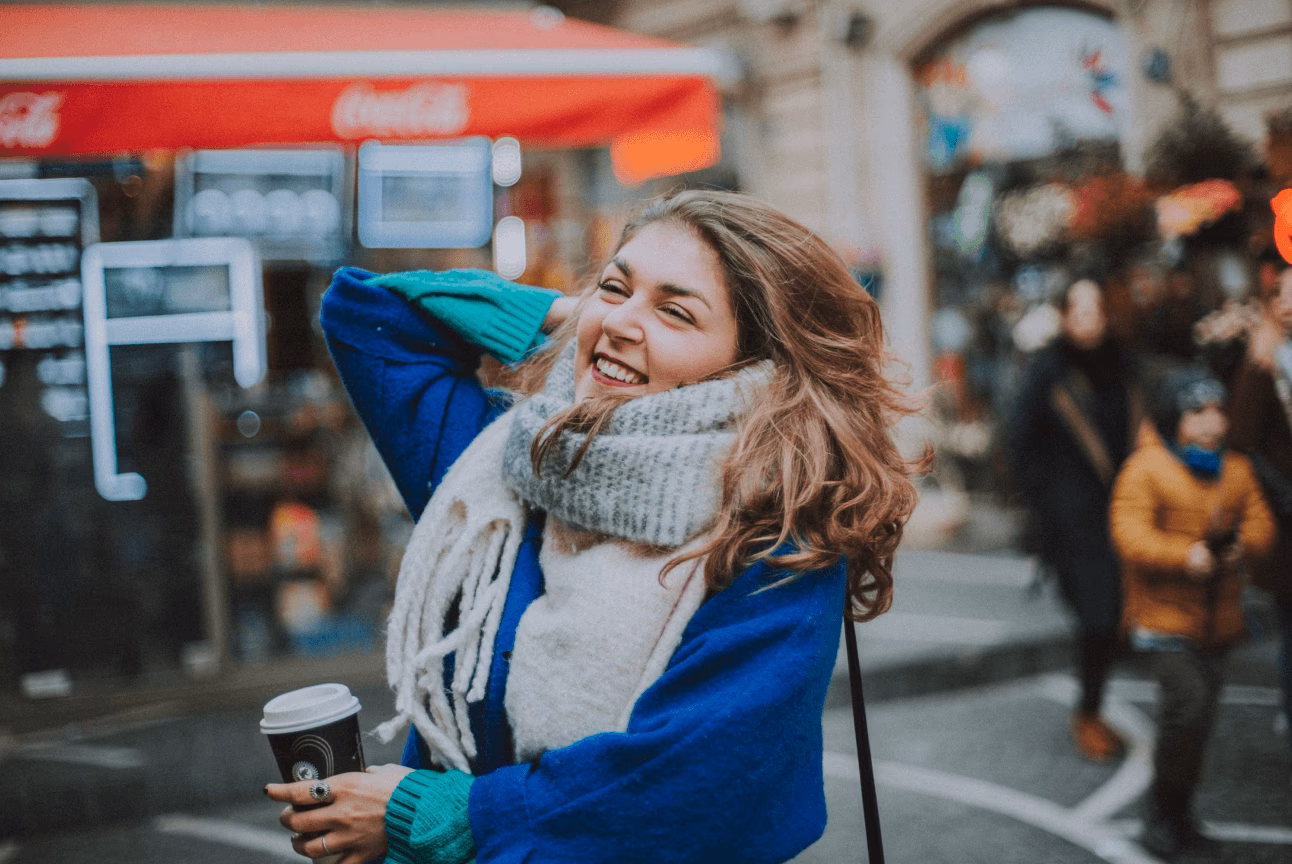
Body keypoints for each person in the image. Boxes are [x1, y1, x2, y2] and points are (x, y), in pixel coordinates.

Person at [266, 191, 920, 864]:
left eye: (675, 310)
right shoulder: (507, 463)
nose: (623, 320)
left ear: (754, 365)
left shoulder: (776, 537)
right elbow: (369, 315)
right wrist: (580, 319)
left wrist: (444, 815)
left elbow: (692, 788)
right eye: (615, 285)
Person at [1110, 366, 1275, 860]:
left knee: (1200, 723)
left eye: (1216, 410)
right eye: (1196, 411)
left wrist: (1242, 546)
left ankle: (1178, 814)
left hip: (1216, 624)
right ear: (1171, 418)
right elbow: (1129, 533)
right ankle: (1161, 814)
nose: (1210, 422)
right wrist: (1187, 555)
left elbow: (1263, 522)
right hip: (1162, 622)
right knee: (1188, 707)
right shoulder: (1147, 468)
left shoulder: (1237, 470)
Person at [1007, 279, 1142, 762]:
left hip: (1124, 509)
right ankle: (1088, 714)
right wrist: (1044, 505)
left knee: (1111, 615)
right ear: (1064, 317)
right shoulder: (1049, 370)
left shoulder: (1123, 366)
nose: (1089, 319)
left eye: (1096, 308)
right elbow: (1019, 442)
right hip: (1071, 520)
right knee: (1098, 615)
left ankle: (1092, 709)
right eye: (1078, 310)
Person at [1228, 266, 1292, 753]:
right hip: (1285, 516)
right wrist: (1256, 363)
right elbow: (1242, 438)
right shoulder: (1261, 356)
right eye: (1283, 295)